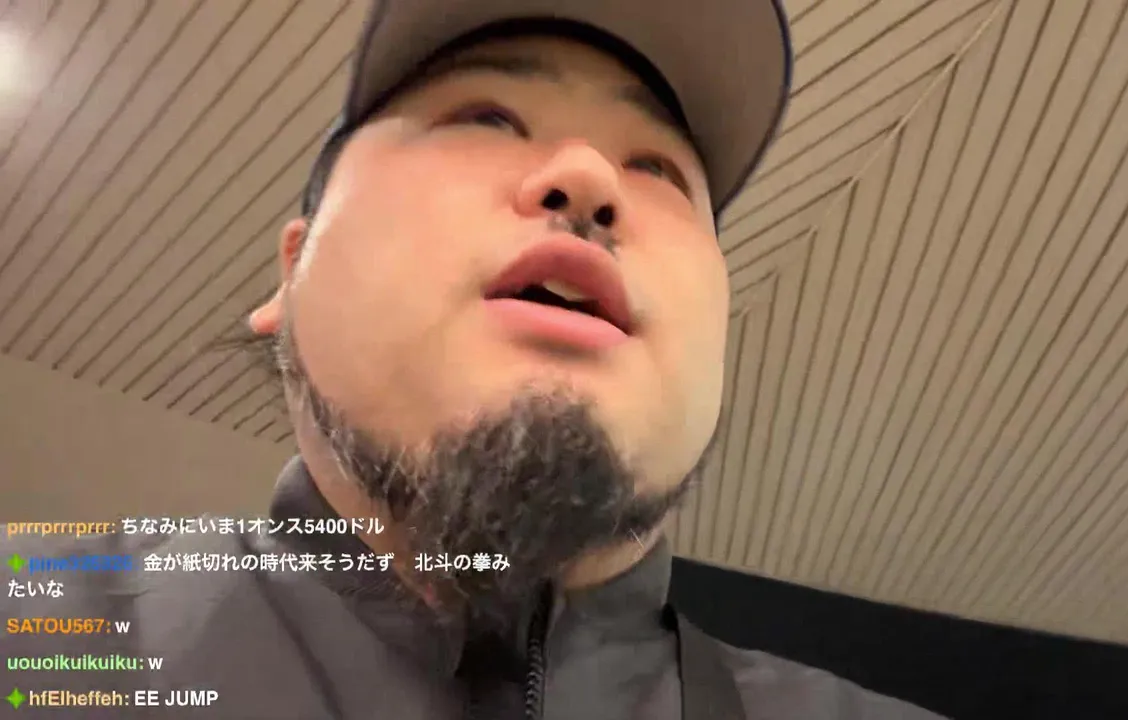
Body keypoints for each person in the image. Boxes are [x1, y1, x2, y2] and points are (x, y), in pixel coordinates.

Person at [1, 1, 947, 718]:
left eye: (659, 170)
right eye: (486, 118)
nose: (589, 177)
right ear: (293, 272)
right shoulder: (37, 639)